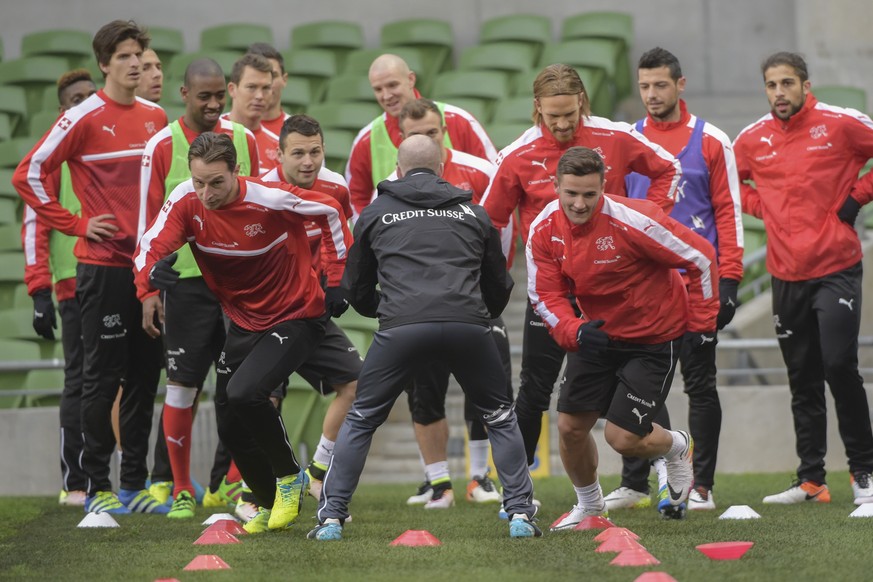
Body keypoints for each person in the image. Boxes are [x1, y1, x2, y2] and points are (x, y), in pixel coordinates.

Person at [309, 135, 539, 542]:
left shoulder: (376, 212)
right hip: (468, 324)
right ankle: (520, 512)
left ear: (398, 171)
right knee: (500, 416)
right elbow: (500, 284)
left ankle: (331, 517)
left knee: (361, 419)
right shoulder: (472, 211)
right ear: (442, 168)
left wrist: (391, 310)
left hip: (402, 327)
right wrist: (473, 313)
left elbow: (356, 288)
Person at [135, 132, 352, 533]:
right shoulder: (186, 199)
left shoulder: (270, 197)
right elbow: (149, 244)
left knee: (245, 393)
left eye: (216, 182)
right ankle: (268, 503)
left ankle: (292, 476)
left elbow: (331, 211)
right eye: (199, 181)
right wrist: (150, 276)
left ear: (237, 171)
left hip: (298, 313)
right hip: (244, 319)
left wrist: (337, 277)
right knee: (230, 419)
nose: (207, 193)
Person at [480, 63, 683, 481]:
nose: (561, 123)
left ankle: (642, 481)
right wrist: (493, 277)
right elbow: (490, 221)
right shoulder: (516, 155)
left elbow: (668, 169)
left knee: (632, 382)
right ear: (537, 108)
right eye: (552, 115)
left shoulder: (616, 136)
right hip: (555, 292)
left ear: (582, 103)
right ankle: (518, 490)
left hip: (616, 287)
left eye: (569, 113)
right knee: (534, 389)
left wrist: (650, 225)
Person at [13, 20, 168, 515]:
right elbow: (30, 173)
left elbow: (161, 192)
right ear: (105, 63)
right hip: (101, 269)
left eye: (139, 55)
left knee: (146, 379)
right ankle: (96, 486)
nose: (135, 63)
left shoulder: (155, 115)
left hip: (148, 270)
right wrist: (77, 224)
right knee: (103, 380)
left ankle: (133, 486)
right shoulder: (82, 116)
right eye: (124, 56)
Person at [526, 146, 718, 530]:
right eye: (571, 193)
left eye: (589, 194)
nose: (579, 204)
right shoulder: (543, 230)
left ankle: (678, 447)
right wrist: (575, 330)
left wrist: (701, 326)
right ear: (556, 187)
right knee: (570, 428)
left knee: (623, 438)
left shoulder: (636, 220)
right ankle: (591, 507)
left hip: (653, 336)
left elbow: (701, 258)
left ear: (603, 189)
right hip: (596, 334)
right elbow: (543, 296)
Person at [604, 47, 744, 514]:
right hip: (644, 290)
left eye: (660, 85)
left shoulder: (712, 140)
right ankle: (636, 483)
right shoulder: (625, 140)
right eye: (643, 86)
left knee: (700, 385)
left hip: (697, 287)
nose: (651, 94)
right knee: (638, 383)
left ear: (680, 85)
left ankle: (701, 484)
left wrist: (730, 278)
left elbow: (729, 212)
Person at [733, 51, 873, 505]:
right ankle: (812, 480)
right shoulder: (753, 138)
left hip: (836, 268)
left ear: (806, 86)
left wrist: (856, 199)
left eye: (787, 83)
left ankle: (864, 473)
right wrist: (765, 211)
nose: (780, 93)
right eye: (772, 85)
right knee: (802, 376)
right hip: (785, 274)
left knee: (838, 365)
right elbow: (729, 184)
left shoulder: (839, 123)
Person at [138, 58, 260, 519]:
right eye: (203, 96)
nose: (212, 105)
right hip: (185, 288)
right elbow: (146, 225)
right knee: (182, 387)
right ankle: (181, 488)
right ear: (184, 94)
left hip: (237, 285)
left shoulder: (243, 139)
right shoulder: (160, 145)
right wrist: (147, 288)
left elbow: (259, 204)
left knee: (240, 387)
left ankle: (229, 483)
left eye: (218, 97)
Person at [381, 99, 508, 509]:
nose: (426, 140)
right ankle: (438, 483)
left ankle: (479, 477)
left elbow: (500, 232)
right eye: (416, 136)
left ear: (445, 130)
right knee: (424, 393)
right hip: (417, 305)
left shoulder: (481, 171)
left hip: (474, 302)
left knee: (485, 391)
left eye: (432, 132)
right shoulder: (390, 185)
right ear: (401, 140)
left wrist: (488, 291)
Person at [261, 114, 361, 502]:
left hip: (312, 310)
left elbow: (343, 237)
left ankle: (318, 470)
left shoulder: (336, 186)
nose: (307, 161)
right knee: (261, 398)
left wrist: (339, 283)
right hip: (267, 314)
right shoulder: (260, 190)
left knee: (356, 384)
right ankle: (261, 487)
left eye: (315, 152)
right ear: (279, 154)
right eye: (298, 153)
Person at [20, 68, 97, 507]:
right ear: (62, 110)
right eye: (75, 99)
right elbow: (35, 224)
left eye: (90, 96)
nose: (84, 103)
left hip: (115, 276)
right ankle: (76, 481)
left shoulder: (105, 141)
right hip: (72, 283)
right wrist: (38, 292)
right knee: (81, 379)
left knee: (119, 380)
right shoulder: (52, 155)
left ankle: (121, 478)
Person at [345, 53, 497, 218]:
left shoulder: (459, 121)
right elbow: (355, 198)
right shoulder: (366, 139)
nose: (386, 95)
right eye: (378, 89)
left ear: (411, 79)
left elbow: (495, 187)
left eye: (392, 85)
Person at [222, 53, 278, 175]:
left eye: (266, 88)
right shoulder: (210, 133)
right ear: (232, 89)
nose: (259, 96)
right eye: (251, 87)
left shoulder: (278, 147)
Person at [246, 43, 289, 138]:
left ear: (284, 79)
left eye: (273, 76)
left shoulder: (296, 131)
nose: (266, 83)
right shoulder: (224, 126)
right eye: (257, 76)